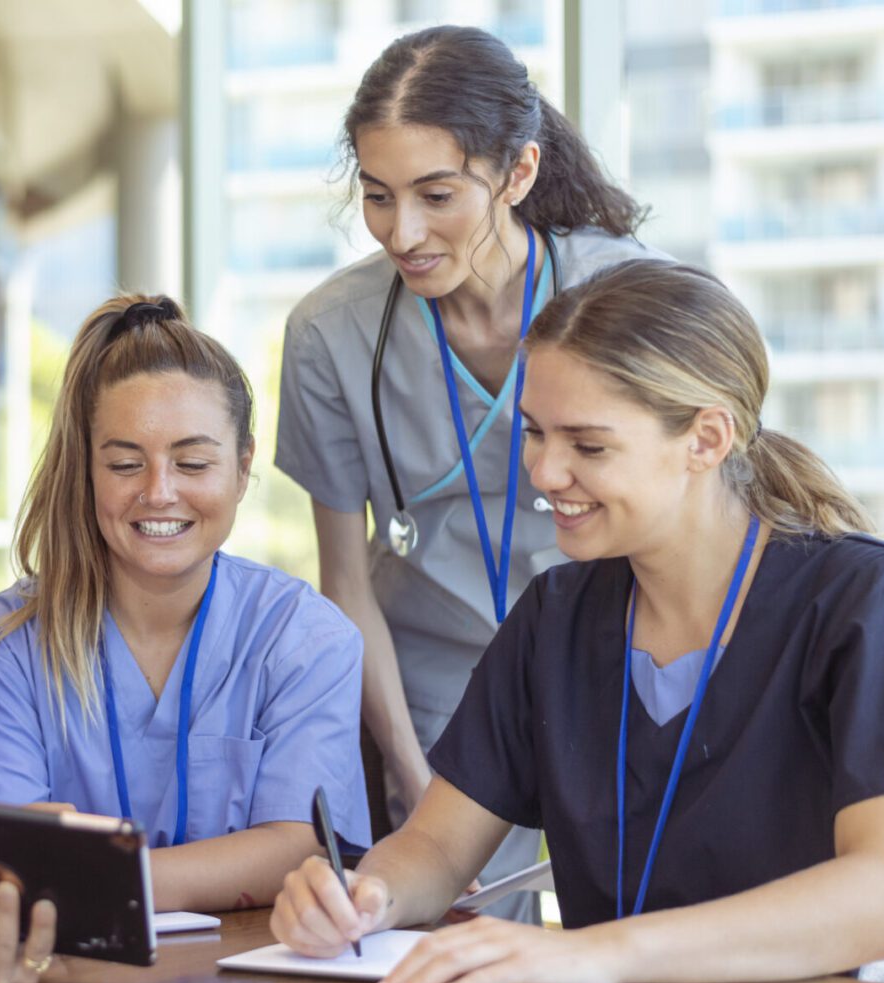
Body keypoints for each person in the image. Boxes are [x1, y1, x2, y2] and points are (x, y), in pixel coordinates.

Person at [271, 260, 884, 983]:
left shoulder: (876, 600)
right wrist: (364, 896)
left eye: (588, 445)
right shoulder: (557, 615)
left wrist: (605, 954)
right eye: (536, 434)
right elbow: (439, 846)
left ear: (706, 439)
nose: (544, 471)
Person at [276, 24, 670, 919]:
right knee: (439, 977)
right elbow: (346, 580)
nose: (402, 233)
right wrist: (415, 774)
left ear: (518, 173)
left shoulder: (625, 298)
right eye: (377, 197)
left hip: (612, 665)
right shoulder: (330, 337)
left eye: (437, 195)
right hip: (429, 694)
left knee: (638, 956)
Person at [0, 295, 371, 983]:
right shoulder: (8, 643)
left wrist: (94, 871)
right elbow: (9, 865)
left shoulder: (305, 639)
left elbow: (296, 850)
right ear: (87, 467)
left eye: (193, 463)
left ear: (243, 466)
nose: (159, 493)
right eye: (125, 463)